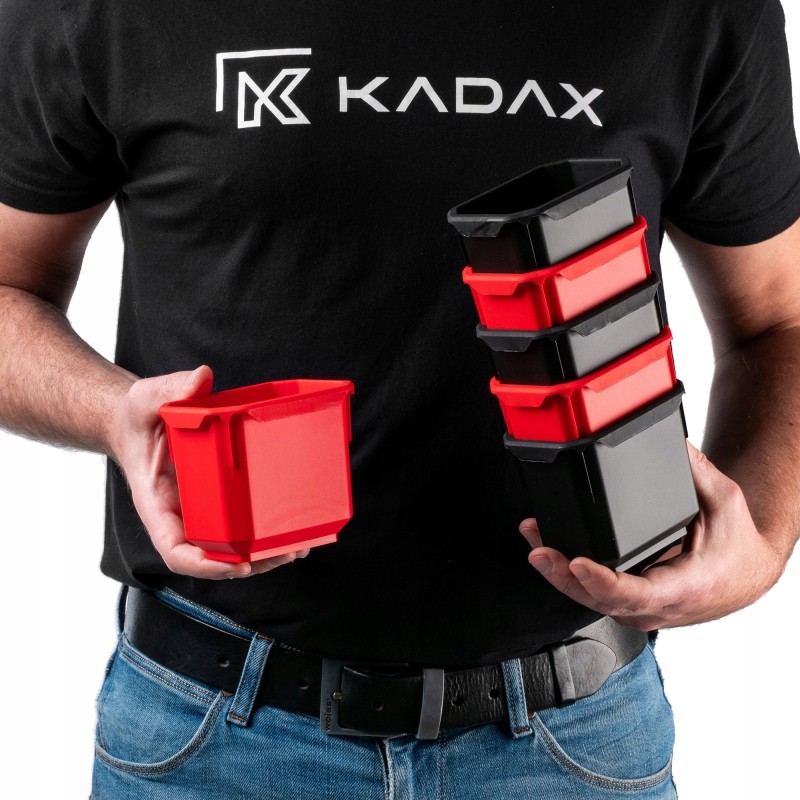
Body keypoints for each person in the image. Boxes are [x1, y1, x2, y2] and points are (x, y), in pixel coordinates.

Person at [1, 0, 798, 797]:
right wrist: (113, 412)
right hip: (212, 730)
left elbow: (779, 319)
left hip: (578, 732)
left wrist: (760, 544)